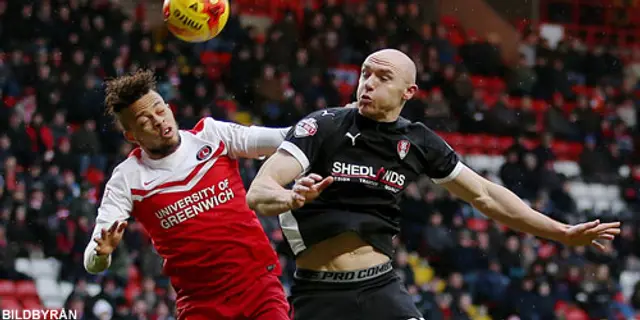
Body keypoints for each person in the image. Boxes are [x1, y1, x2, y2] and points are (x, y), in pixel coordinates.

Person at [245, 48, 621, 320]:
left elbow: (486, 195)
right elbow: (258, 192)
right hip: (319, 294)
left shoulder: (418, 141)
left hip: (380, 287)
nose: (368, 84)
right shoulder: (323, 125)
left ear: (408, 93)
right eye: (365, 74)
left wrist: (561, 232)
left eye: (383, 77)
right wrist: (290, 196)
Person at [83, 70, 291, 320]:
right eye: (145, 120)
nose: (159, 121)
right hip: (202, 305)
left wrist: (333, 120)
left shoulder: (213, 135)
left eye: (160, 110)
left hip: (258, 289)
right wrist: (101, 254)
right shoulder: (126, 179)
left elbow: (286, 137)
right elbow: (92, 261)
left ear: (169, 107)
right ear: (131, 136)